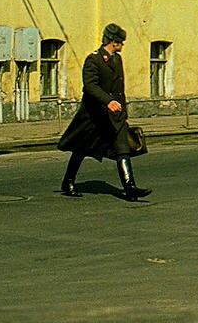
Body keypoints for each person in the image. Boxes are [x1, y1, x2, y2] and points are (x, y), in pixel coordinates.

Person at [57, 23, 150, 200]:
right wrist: (108, 102)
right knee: (81, 149)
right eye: (121, 42)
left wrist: (124, 115)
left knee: (122, 149)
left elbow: (119, 90)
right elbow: (90, 86)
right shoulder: (94, 59)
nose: (123, 45)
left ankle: (130, 188)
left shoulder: (117, 59)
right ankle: (68, 181)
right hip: (93, 115)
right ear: (113, 42)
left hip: (115, 115)